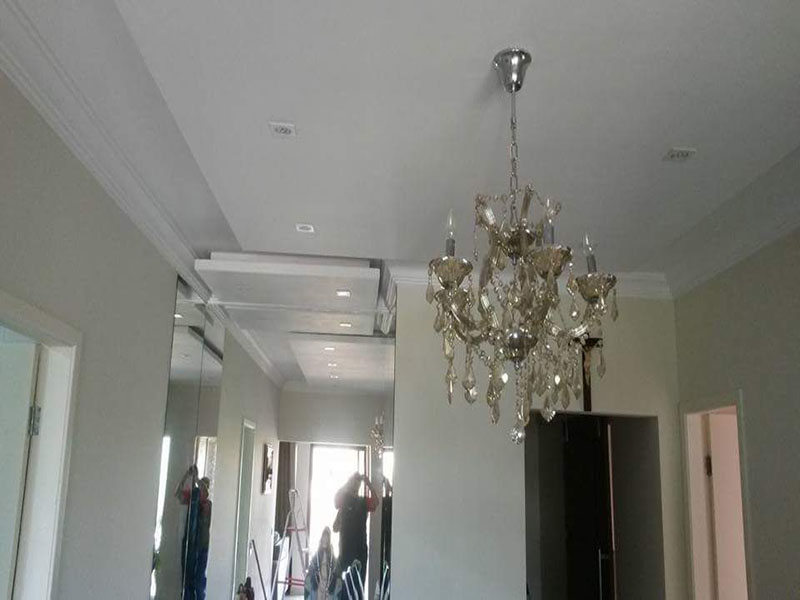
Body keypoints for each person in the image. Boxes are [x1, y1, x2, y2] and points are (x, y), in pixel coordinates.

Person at [332, 473, 378, 594]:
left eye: (357, 483)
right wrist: (347, 482)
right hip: (345, 549)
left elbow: (375, 503)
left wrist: (368, 483)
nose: (355, 485)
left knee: (358, 585)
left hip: (360, 550)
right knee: (343, 585)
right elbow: (336, 501)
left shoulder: (363, 501)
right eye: (353, 482)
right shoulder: (344, 499)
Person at [175, 465, 212, 600]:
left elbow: (205, 493)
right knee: (187, 580)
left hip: (202, 546)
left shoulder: (208, 504)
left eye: (204, 485)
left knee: (199, 582)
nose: (202, 489)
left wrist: (196, 478)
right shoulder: (193, 498)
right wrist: (187, 475)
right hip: (190, 543)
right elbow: (178, 494)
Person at [304, 527, 340, 599]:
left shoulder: (331, 552)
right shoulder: (318, 552)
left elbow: (335, 565)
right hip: (319, 580)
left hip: (328, 580)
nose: (325, 539)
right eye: (324, 537)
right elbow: (313, 564)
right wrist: (312, 572)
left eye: (327, 537)